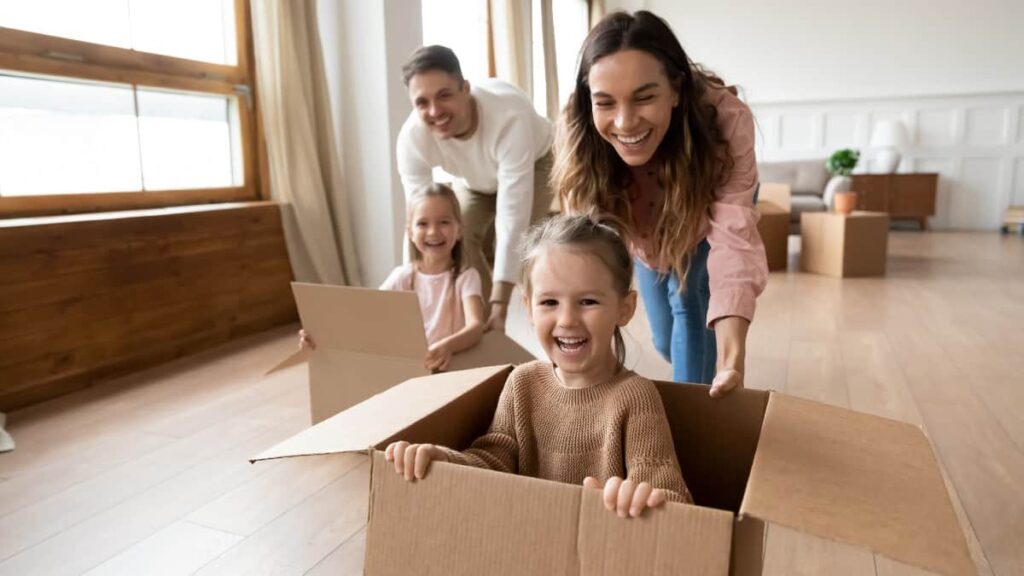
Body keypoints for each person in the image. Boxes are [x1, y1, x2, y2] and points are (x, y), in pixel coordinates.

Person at [384, 215, 693, 518]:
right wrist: (446, 460)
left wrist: (643, 499)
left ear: (624, 309)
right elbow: (494, 461)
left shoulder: (636, 397)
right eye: (549, 303)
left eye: (587, 302)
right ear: (529, 306)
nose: (567, 320)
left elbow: (670, 493)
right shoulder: (522, 383)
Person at [552, 10, 768, 396]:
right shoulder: (579, 127)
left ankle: (692, 420)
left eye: (644, 98)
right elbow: (581, 247)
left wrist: (732, 360)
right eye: (605, 103)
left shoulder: (726, 121)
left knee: (688, 302)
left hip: (706, 214)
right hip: (644, 232)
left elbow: (734, 243)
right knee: (667, 342)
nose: (625, 122)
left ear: (677, 90)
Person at [396, 45, 554, 334]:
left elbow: (512, 214)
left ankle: (516, 316)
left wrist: (501, 304)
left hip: (535, 162)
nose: (434, 111)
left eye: (444, 95)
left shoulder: (509, 117)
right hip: (473, 179)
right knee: (456, 233)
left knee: (522, 247)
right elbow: (418, 222)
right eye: (422, 102)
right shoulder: (411, 139)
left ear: (465, 88)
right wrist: (411, 293)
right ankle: (477, 324)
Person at [300, 184, 484, 371]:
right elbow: (364, 313)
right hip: (410, 369)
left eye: (444, 222)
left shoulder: (466, 277)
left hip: (451, 370)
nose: (432, 232)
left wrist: (447, 347)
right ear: (410, 233)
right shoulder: (402, 277)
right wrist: (321, 335)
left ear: (459, 230)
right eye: (422, 223)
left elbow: (475, 326)